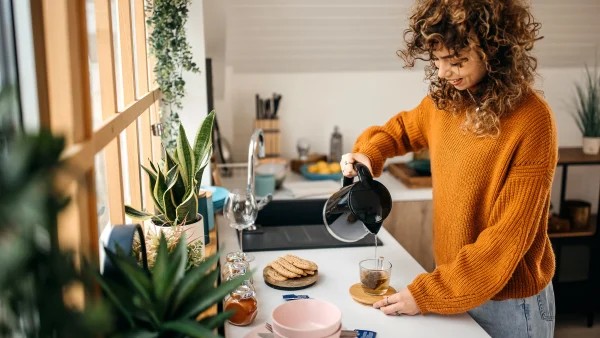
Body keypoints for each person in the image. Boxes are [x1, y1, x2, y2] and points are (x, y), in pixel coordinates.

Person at [341, 0, 557, 337]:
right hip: (452, 285)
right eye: (438, 60)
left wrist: (427, 293)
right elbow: (400, 129)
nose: (443, 73)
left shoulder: (532, 120)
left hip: (510, 305)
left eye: (456, 61)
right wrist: (369, 154)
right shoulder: (446, 102)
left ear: (494, 51)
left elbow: (504, 241)